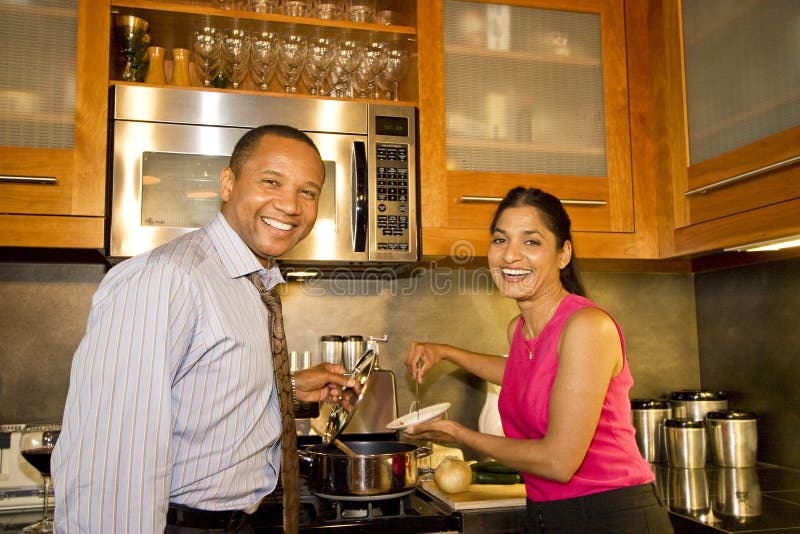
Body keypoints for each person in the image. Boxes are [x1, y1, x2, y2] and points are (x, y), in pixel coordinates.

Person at [52, 125, 355, 533]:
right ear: (228, 184)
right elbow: (113, 459)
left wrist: (285, 385)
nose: (291, 205)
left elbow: (199, 387)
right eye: (271, 182)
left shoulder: (252, 283)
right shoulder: (167, 278)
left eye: (308, 192)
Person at [405, 187, 673, 533]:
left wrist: (459, 434)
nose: (510, 256)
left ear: (563, 254)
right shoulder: (519, 328)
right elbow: (527, 375)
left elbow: (559, 462)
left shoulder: (587, 326)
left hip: (613, 515)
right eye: (500, 241)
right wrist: (446, 351)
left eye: (530, 242)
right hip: (548, 516)